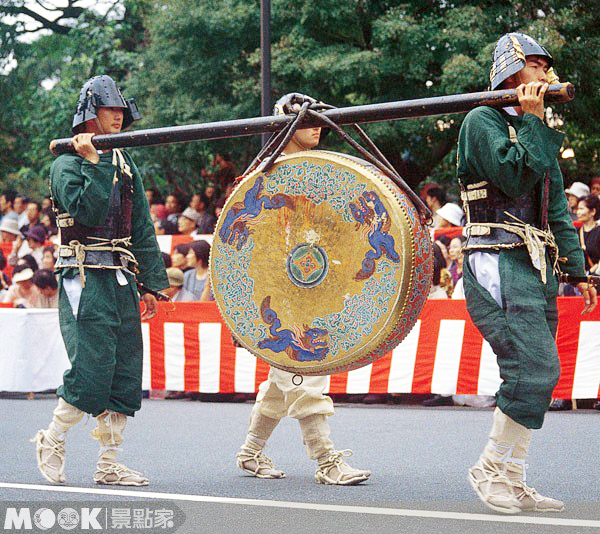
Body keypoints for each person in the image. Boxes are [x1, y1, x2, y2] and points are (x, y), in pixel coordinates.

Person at [457, 32, 597, 514]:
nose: (545, 75)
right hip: (493, 255)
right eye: (536, 66)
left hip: (534, 261)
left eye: (545, 67)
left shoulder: (535, 128)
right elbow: (513, 176)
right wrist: (536, 121)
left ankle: (513, 478)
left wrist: (578, 273)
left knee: (544, 372)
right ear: (511, 72)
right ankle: (489, 468)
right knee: (530, 368)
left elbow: (555, 207)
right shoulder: (481, 121)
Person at [31, 74, 168, 487]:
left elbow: (141, 226)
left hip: (122, 276)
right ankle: (52, 439)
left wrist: (151, 283)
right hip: (84, 276)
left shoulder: (125, 163)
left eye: (121, 110)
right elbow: (87, 213)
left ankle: (109, 463)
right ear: (90, 113)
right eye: (109, 109)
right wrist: (93, 163)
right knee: (92, 369)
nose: (118, 116)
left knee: (125, 372)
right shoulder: (65, 164)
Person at [236, 93, 371, 486]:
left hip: (315, 289)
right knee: (304, 371)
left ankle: (249, 452)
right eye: (307, 122)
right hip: (277, 295)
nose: (316, 128)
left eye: (321, 123)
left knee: (284, 378)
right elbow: (246, 245)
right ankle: (326, 460)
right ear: (285, 126)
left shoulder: (322, 172)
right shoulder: (265, 175)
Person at [576, 194, 600, 274]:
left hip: (595, 278)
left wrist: (591, 271)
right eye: (577, 209)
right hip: (578, 279)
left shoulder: (598, 232)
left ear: (593, 211)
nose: (578, 212)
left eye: (581, 209)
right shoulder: (576, 232)